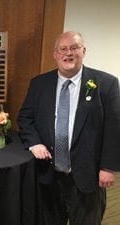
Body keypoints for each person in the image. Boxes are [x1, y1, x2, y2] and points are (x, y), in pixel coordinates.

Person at [17, 31, 120, 225]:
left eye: (74, 47)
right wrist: (35, 143)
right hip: (48, 174)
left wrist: (108, 167)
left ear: (83, 51)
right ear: (55, 54)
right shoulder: (39, 83)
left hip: (87, 175)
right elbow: (25, 118)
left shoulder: (106, 84)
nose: (68, 53)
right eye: (63, 49)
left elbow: (114, 130)